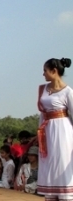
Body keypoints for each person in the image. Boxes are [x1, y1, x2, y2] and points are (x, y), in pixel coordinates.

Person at [37, 57, 73, 200]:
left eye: (45, 71)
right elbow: (42, 113)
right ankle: (50, 195)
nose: (43, 74)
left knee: (62, 160)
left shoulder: (68, 92)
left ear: (54, 71)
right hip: (46, 131)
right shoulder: (43, 89)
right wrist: (39, 131)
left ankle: (65, 195)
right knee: (49, 161)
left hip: (63, 130)